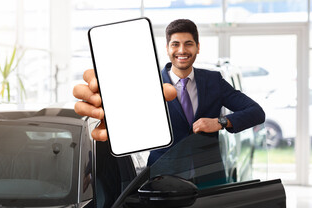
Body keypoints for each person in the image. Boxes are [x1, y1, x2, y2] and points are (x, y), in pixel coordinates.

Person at [73, 19, 265, 166]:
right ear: (167, 49)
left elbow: (256, 112)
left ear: (198, 47)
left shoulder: (214, 81)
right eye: (175, 44)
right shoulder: (148, 83)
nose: (182, 50)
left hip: (208, 173)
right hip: (162, 174)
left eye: (188, 43)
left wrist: (220, 122)